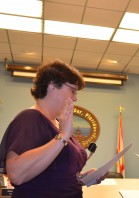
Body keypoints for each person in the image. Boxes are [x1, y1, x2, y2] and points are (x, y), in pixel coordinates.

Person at [0, 60, 103, 198]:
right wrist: (64, 135)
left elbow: (54, 176)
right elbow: (17, 175)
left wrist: (84, 178)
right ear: (52, 85)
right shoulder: (30, 118)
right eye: (72, 90)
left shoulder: (58, 124)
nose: (75, 98)